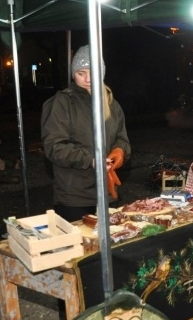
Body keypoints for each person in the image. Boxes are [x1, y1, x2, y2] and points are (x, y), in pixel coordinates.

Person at [41, 45, 131, 222]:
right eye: (81, 73)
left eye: (93, 72)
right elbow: (54, 146)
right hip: (74, 197)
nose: (88, 79)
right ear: (73, 74)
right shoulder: (62, 102)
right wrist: (90, 160)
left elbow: (122, 138)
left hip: (107, 193)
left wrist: (120, 151)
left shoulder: (112, 104)